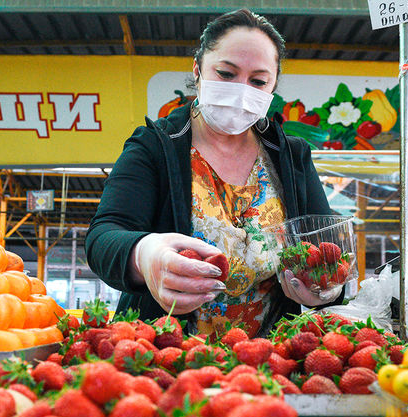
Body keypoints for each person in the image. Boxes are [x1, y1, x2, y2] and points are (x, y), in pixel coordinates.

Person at [85, 8, 336, 338]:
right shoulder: (156, 146)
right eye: (227, 74)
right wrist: (144, 254)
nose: (241, 90)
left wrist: (326, 287)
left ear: (273, 87)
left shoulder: (292, 157)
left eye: (258, 81)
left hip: (271, 362)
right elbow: (103, 237)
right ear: (198, 69)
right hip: (165, 359)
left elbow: (326, 247)